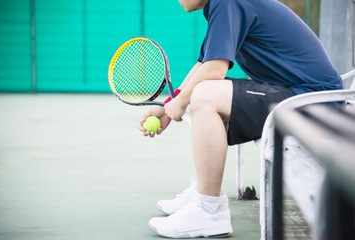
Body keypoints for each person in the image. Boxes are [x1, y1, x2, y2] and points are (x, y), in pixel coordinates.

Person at [139, 0, 343, 238]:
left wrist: (181, 102)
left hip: (312, 105)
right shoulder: (223, 5)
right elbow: (202, 65)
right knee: (201, 92)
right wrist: (166, 108)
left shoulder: (228, 2)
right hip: (301, 99)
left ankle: (209, 210)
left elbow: (214, 71)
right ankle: (202, 195)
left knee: (205, 95)